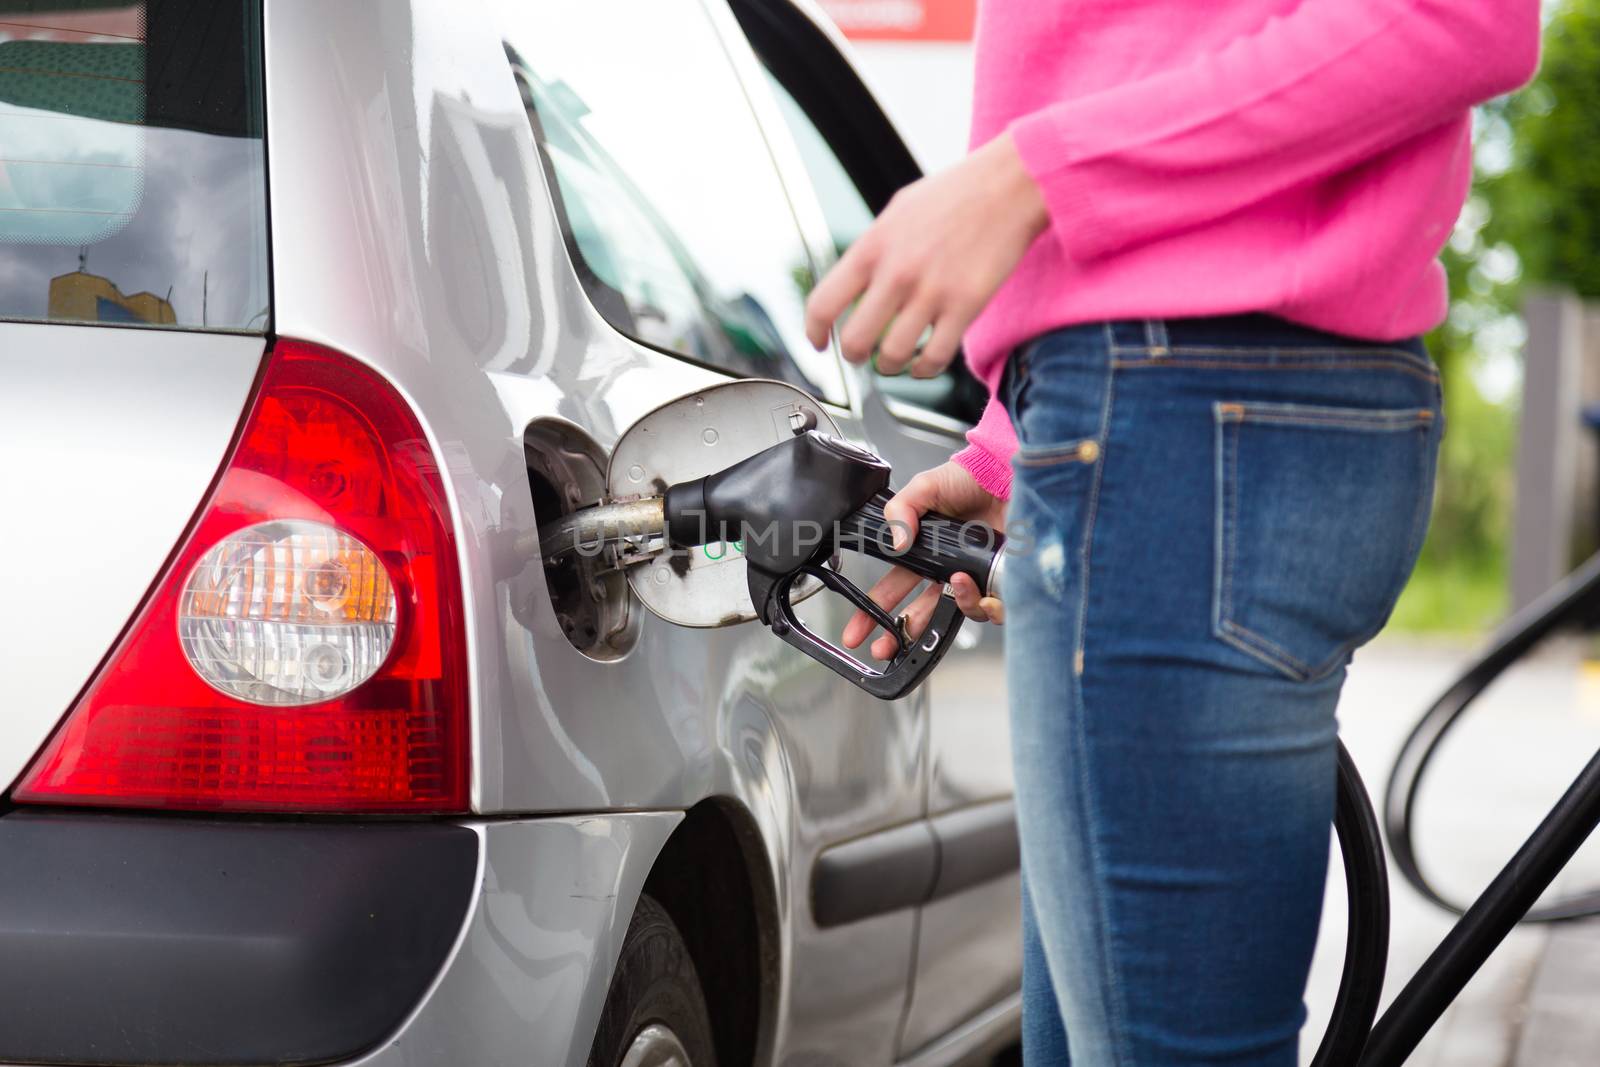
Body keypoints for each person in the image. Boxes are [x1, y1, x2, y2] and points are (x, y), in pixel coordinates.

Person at [802, 3, 1542, 1064]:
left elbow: (1456, 20)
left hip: (1179, 413)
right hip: (1162, 411)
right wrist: (1010, 449)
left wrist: (1032, 175)